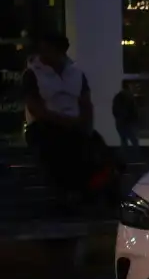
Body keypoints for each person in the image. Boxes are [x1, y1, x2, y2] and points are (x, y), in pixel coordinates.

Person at [22, 32, 117, 210]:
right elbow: (36, 108)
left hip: (75, 125)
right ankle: (67, 195)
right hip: (45, 126)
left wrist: (85, 124)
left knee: (102, 154)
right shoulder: (33, 74)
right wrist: (66, 121)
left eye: (49, 50)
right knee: (60, 150)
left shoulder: (76, 74)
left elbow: (85, 102)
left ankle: (94, 194)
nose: (44, 55)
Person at [112, 83, 139, 157]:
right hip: (128, 121)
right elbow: (134, 110)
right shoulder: (130, 97)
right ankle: (136, 154)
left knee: (123, 139)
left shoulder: (118, 97)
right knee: (133, 139)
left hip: (120, 122)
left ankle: (125, 155)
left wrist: (118, 118)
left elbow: (114, 110)